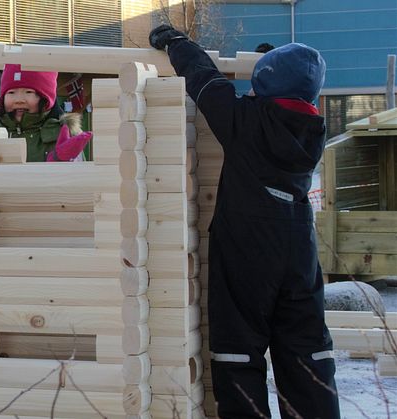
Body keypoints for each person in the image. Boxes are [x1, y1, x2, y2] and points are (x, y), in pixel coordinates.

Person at [149, 25, 340, 419]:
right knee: (306, 347)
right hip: (298, 248)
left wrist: (177, 43)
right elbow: (284, 96)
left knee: (238, 349)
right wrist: (267, 68)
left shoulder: (244, 122)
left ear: (264, 90)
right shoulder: (313, 130)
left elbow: (203, 80)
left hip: (247, 251)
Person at [0, 64, 92, 162]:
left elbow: (80, 180)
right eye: (11, 92)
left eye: (29, 92)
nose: (19, 99)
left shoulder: (63, 134)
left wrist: (59, 161)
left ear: (45, 99)